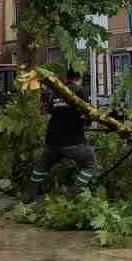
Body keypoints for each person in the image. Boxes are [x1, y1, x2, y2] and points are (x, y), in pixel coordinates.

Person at [23, 69, 97, 202]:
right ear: (79, 78)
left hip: (52, 140)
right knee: (89, 162)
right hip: (72, 142)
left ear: (66, 78)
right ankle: (72, 195)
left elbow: (50, 111)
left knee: (42, 166)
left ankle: (29, 195)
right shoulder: (80, 91)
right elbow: (88, 113)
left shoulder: (57, 92)